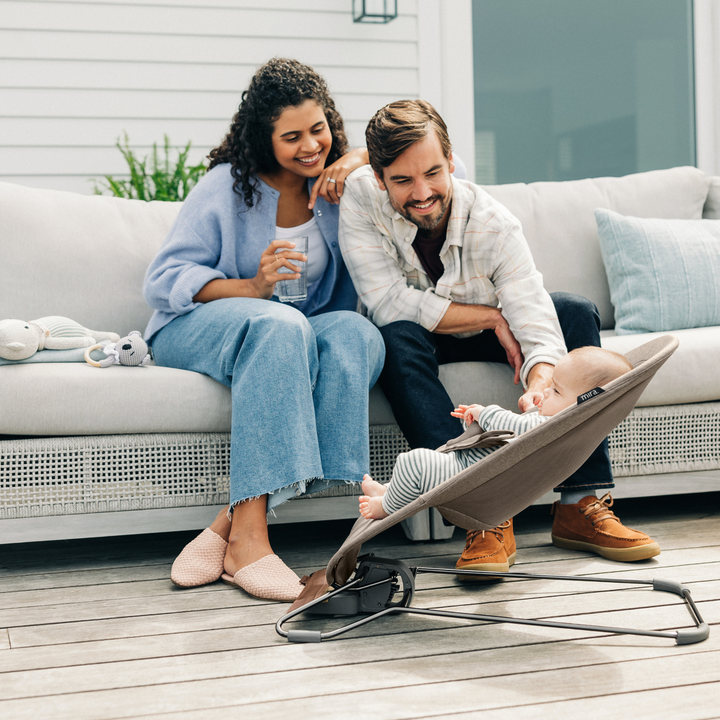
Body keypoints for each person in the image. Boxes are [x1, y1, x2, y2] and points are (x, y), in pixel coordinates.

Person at [339, 99, 659, 571]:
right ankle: (483, 513)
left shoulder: (495, 224)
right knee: (394, 336)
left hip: (493, 322)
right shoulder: (360, 199)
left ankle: (579, 504)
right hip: (425, 330)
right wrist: (490, 318)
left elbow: (530, 309)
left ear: (451, 162)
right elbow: (387, 300)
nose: (422, 192)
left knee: (572, 310)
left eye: (433, 173)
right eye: (402, 181)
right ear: (379, 177)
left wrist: (540, 384)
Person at [143, 58, 385, 602]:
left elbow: (448, 167)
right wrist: (252, 285)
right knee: (280, 324)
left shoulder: (340, 185)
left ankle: (229, 523)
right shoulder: (224, 190)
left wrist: (366, 156)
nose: (309, 145)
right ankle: (250, 540)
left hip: (294, 325)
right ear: (263, 137)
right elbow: (164, 282)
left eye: (318, 129)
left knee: (355, 335)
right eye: (291, 136)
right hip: (196, 327)